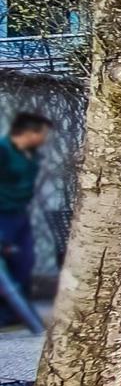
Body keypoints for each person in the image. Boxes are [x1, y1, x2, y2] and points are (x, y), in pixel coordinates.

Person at [0, 113, 50, 322]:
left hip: (21, 215)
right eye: (43, 134)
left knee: (25, 261)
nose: (46, 139)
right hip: (3, 216)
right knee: (5, 268)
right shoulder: (3, 150)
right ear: (30, 132)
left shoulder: (31, 154)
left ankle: (14, 313)